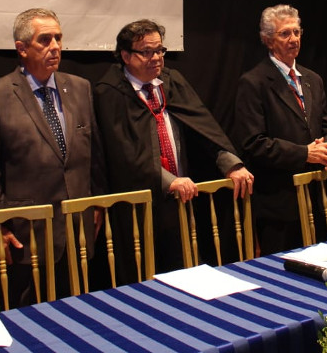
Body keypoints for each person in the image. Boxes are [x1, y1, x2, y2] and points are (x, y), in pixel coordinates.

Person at [0, 8, 105, 307]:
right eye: (45, 39)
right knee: (28, 319)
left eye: (58, 38)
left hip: (77, 231)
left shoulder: (79, 88)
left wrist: (96, 203)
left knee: (80, 314)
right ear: (22, 48)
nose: (55, 46)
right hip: (25, 235)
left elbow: (94, 153)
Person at [94, 19, 252, 277]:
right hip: (141, 204)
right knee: (146, 275)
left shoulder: (171, 80)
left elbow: (204, 127)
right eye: (147, 52)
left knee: (185, 270)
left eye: (159, 50)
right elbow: (122, 155)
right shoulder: (110, 92)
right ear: (125, 56)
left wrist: (231, 164)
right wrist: (169, 181)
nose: (156, 58)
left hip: (182, 199)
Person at [233, 4, 327, 254]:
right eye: (285, 34)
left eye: (296, 32)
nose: (293, 39)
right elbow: (254, 143)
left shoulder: (313, 79)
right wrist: (305, 153)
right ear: (269, 41)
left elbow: (325, 125)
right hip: (279, 202)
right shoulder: (253, 82)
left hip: (317, 195)